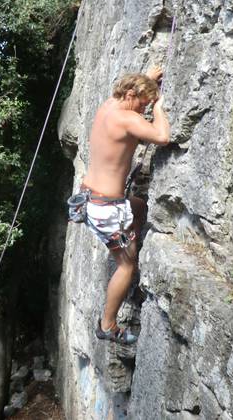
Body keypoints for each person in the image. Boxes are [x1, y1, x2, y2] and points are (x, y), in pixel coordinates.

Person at [81, 65, 170, 344]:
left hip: (91, 199)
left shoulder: (109, 104)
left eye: (146, 105)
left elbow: (132, 94)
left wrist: (147, 81)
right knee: (126, 266)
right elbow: (162, 136)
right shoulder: (125, 118)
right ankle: (107, 325)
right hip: (107, 209)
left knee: (140, 207)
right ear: (131, 94)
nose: (142, 109)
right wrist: (158, 107)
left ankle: (129, 237)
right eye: (141, 103)